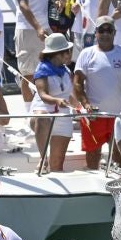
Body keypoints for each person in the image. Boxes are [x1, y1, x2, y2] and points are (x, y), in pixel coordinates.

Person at [74, 20, 121, 171]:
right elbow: (77, 83)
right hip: (94, 115)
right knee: (93, 154)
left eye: (109, 30)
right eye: (102, 30)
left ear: (114, 33)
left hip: (119, 114)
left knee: (119, 155)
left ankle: (120, 181)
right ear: (95, 33)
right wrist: (86, 104)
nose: (105, 34)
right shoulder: (86, 54)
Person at [28, 32, 79, 173]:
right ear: (57, 54)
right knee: (42, 117)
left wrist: (82, 107)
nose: (69, 54)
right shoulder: (42, 69)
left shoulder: (66, 70)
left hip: (63, 116)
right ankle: (42, 159)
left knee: (57, 163)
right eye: (67, 51)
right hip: (43, 112)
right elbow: (43, 95)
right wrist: (57, 100)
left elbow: (70, 95)